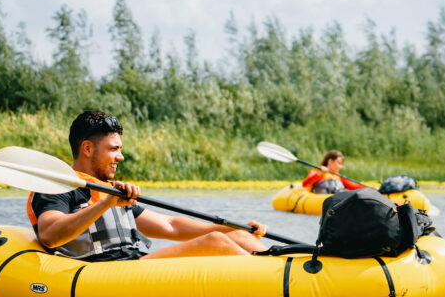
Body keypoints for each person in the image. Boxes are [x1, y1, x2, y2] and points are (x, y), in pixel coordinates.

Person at [28, 110, 268, 261]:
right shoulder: (58, 188)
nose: (120, 156)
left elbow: (172, 227)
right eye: (113, 149)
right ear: (88, 149)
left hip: (134, 264)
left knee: (234, 235)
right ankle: (270, 283)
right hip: (105, 273)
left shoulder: (108, 191)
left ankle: (284, 272)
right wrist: (107, 203)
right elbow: (49, 235)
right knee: (214, 242)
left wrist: (233, 228)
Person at [301, 149, 365, 194]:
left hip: (335, 201)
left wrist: (368, 188)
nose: (340, 167)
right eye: (339, 163)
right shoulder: (316, 172)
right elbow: (305, 184)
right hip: (320, 201)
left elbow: (353, 187)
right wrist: (320, 173)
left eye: (341, 164)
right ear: (330, 161)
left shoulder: (338, 176)